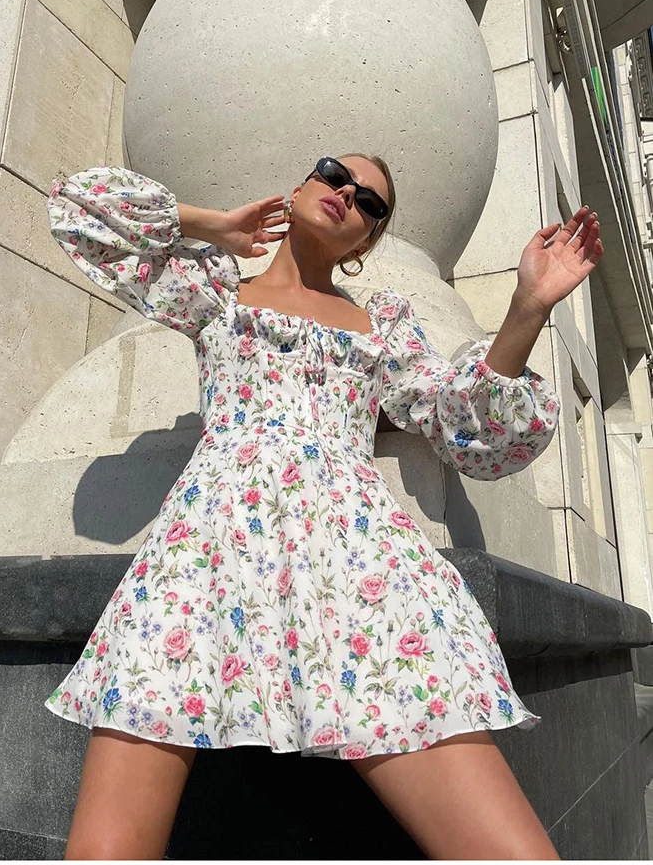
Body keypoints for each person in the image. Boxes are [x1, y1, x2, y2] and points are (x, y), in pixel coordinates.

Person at [44, 153, 603, 859]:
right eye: (337, 174)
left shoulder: (382, 327)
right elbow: (79, 208)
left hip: (358, 572)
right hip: (204, 564)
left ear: (368, 240)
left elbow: (469, 427)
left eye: (371, 204)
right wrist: (214, 225)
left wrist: (527, 309)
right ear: (303, 184)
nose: (348, 195)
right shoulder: (214, 291)